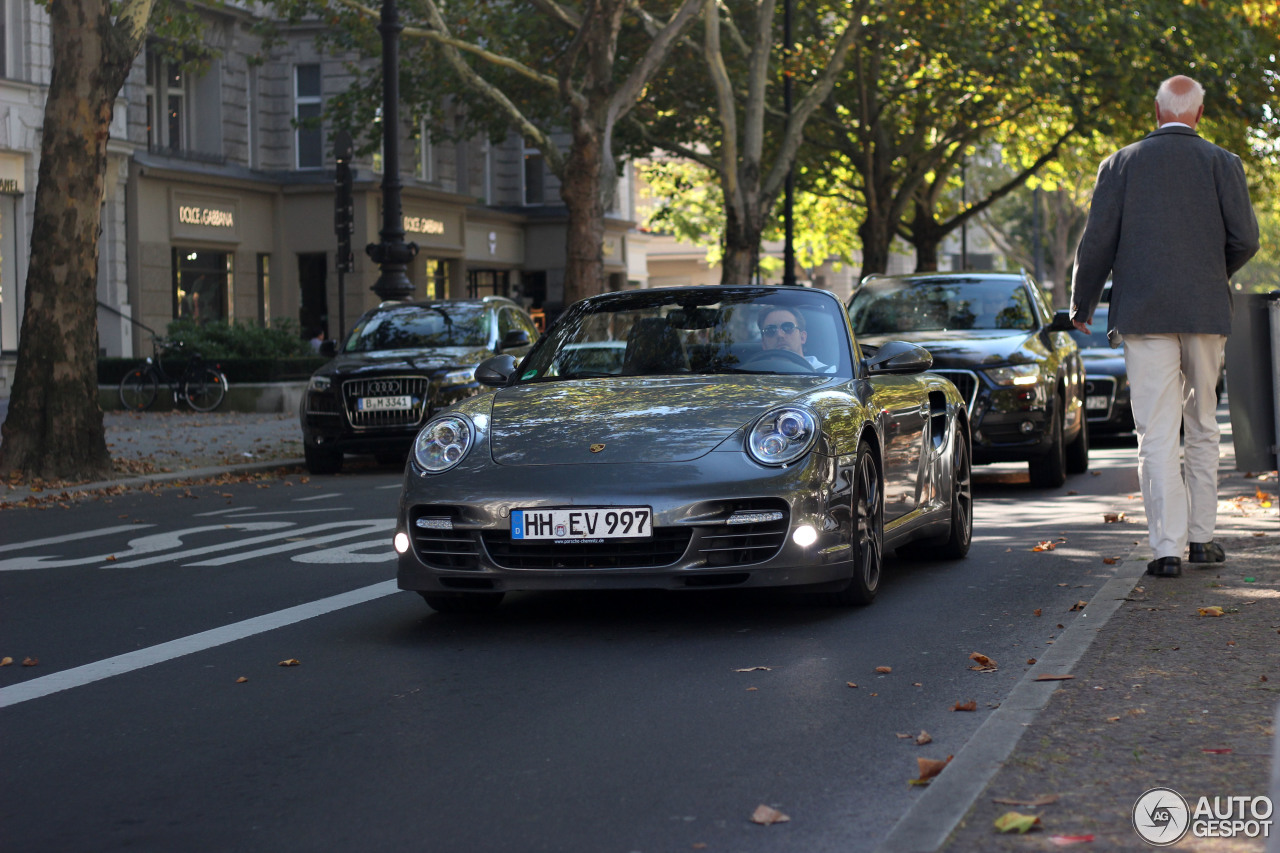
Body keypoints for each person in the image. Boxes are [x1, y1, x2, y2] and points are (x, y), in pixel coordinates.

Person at [1070, 75, 1259, 578]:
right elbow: (1246, 239)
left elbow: (1096, 246)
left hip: (1143, 314)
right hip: (1205, 314)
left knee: (1155, 433)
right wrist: (1210, 273)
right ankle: (1203, 539)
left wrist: (1082, 305)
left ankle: (1166, 549)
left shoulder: (1121, 164)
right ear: (1199, 114)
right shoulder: (1224, 164)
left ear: (1157, 111)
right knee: (1201, 426)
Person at [758, 307, 829, 371]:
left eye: (788, 327)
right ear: (763, 342)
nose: (780, 335)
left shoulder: (828, 374)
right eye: (771, 330)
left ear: (802, 337)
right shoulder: (753, 375)